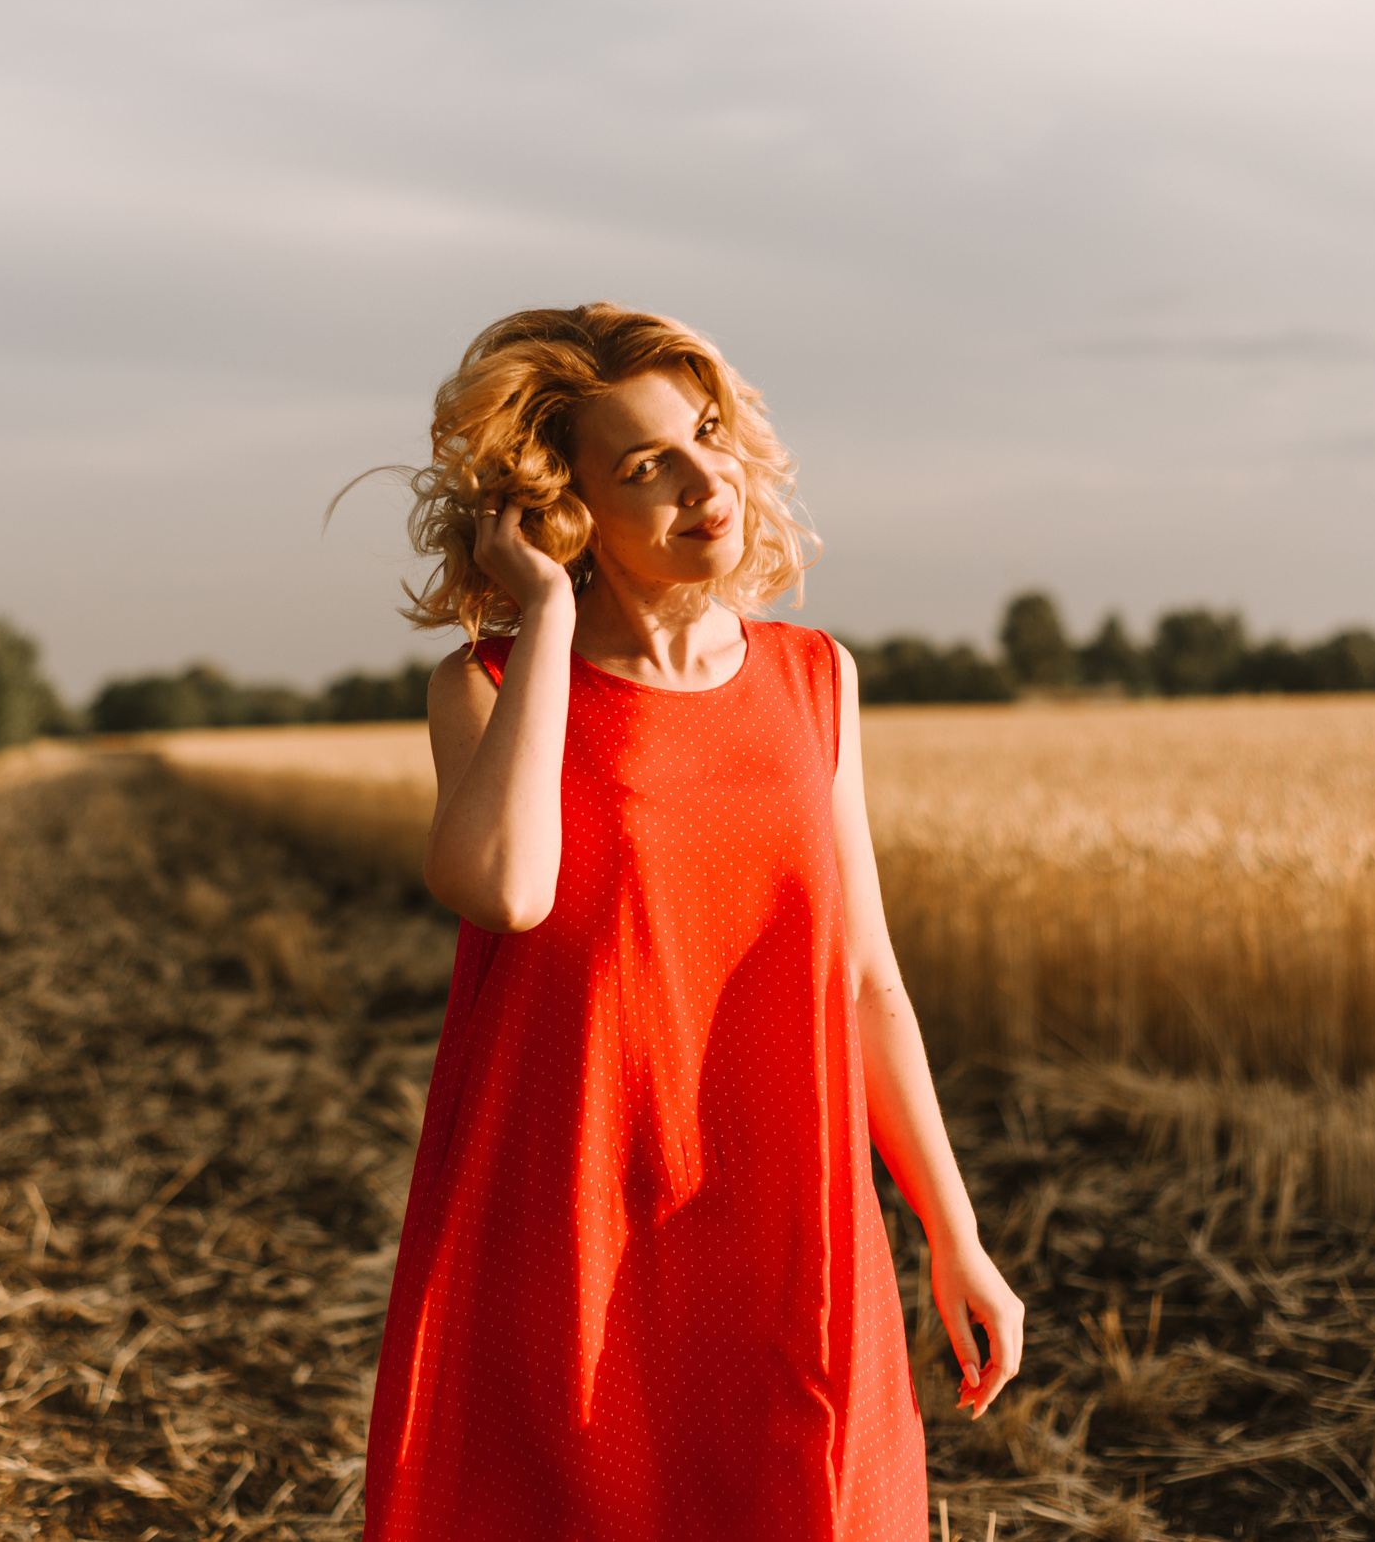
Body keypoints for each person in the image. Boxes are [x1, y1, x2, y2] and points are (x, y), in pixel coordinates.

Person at [361, 304, 1023, 1541]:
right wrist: (547, 616)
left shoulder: (813, 677)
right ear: (562, 509)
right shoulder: (489, 685)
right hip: (577, 1212)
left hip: (784, 1204)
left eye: (707, 434)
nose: (703, 479)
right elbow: (504, 888)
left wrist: (955, 1231)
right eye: (642, 465)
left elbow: (866, 977)